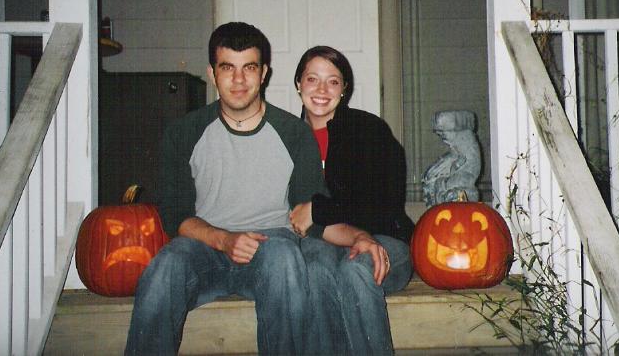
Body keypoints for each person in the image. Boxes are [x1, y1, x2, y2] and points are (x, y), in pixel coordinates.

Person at [125, 23, 386, 356]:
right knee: (166, 266)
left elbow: (312, 220)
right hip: (205, 247)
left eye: (248, 68)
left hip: (272, 248)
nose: (238, 80)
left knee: (285, 258)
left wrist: (360, 236)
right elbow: (175, 216)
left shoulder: (294, 134)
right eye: (227, 68)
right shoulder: (184, 132)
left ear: (263, 74)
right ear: (212, 73)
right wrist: (224, 240)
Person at [289, 45, 415, 355]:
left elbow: (383, 206)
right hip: (322, 241)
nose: (322, 90)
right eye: (312, 79)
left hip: (384, 239)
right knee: (315, 269)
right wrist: (316, 218)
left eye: (333, 81)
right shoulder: (287, 138)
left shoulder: (368, 130)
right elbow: (295, 217)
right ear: (298, 84)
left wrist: (318, 209)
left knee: (355, 269)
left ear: (344, 89)